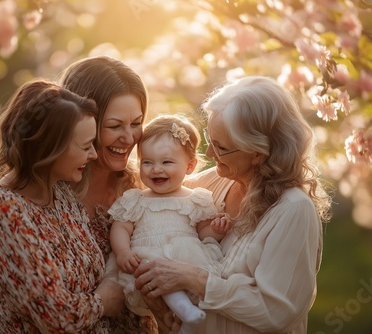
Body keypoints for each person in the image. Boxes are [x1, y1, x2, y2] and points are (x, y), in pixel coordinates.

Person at [134, 76, 333, 333]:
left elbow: (276, 312)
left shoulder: (294, 210)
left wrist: (197, 280)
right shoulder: (213, 182)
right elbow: (150, 202)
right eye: (209, 138)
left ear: (258, 152)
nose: (208, 154)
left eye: (220, 147)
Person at [0, 79, 125, 332]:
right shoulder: (4, 207)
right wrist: (103, 302)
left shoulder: (61, 190)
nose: (93, 154)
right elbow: (55, 316)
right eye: (84, 145)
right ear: (50, 148)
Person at [56, 55, 158, 332]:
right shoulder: (49, 195)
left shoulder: (143, 187)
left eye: (136, 123)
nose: (129, 138)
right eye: (114, 126)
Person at [106, 115, 232, 334]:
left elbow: (203, 232)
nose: (156, 169)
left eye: (166, 162)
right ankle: (185, 315)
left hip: (185, 259)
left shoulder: (196, 199)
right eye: (147, 162)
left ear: (190, 166)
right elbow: (121, 227)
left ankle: (188, 317)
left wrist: (216, 230)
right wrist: (123, 252)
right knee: (157, 277)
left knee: (184, 285)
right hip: (147, 258)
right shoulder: (136, 199)